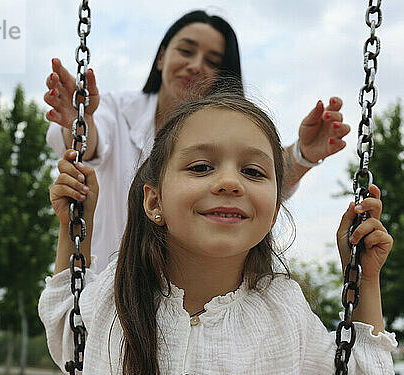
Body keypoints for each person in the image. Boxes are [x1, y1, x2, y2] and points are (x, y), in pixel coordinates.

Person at [39, 92, 397, 375]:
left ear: (273, 211)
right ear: (154, 202)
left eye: (254, 172)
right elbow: (67, 334)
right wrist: (73, 228)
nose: (229, 182)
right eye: (201, 166)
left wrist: (364, 279)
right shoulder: (120, 290)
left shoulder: (284, 312)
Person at [43, 10, 351, 273]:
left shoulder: (233, 130)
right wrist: (79, 122)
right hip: (113, 287)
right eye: (186, 51)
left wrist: (302, 153)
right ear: (162, 56)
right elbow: (92, 143)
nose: (195, 65)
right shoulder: (116, 111)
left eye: (212, 60)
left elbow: (259, 177)